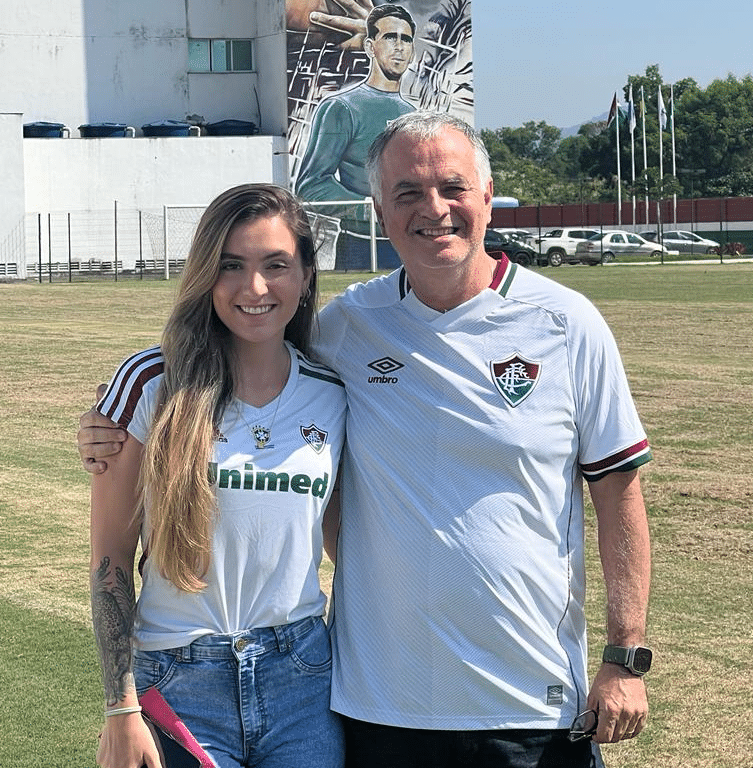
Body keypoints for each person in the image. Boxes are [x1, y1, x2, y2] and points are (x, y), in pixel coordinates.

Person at [80, 113, 652, 768]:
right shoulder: (348, 328)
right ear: (379, 211)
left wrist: (625, 656)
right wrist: (109, 425)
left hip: (530, 700)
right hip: (378, 705)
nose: (433, 208)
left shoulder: (567, 323)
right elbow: (232, 360)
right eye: (407, 192)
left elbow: (620, 493)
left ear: (488, 197)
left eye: (452, 187)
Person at [88, 184, 346, 768]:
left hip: (302, 679)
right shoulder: (151, 382)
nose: (254, 287)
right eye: (231, 265)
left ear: (306, 275)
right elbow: (110, 558)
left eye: (275, 265)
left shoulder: (332, 393)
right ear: (205, 274)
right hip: (177, 681)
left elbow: (344, 542)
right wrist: (120, 707)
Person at [294, 4, 415, 204]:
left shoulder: (412, 114)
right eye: (390, 37)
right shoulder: (341, 107)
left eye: (406, 40)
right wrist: (370, 210)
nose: (399, 47)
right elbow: (312, 186)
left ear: (412, 52)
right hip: (364, 224)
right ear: (369, 47)